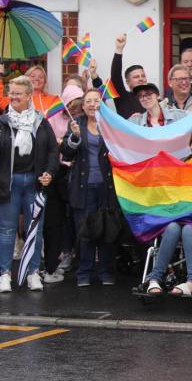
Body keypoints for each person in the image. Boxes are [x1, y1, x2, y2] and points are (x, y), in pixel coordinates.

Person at [0, 76, 58, 292]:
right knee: (6, 230)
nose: (13, 96)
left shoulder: (41, 122)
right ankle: (4, 274)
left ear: (28, 96)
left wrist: (50, 172)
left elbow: (53, 150)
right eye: (11, 93)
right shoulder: (2, 122)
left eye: (17, 93)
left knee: (35, 229)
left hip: (34, 183)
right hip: (9, 183)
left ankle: (34, 273)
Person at [145, 128, 192, 296]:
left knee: (188, 229)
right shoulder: (182, 166)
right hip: (180, 214)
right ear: (191, 145)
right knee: (171, 228)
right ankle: (155, 278)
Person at [61, 89, 118, 286]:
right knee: (85, 230)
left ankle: (105, 271)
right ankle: (84, 272)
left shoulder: (111, 125)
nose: (93, 104)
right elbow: (67, 154)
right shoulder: (76, 125)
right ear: (83, 106)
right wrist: (75, 137)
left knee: (106, 229)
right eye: (88, 101)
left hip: (107, 186)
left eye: (96, 100)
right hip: (82, 186)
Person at [41, 84, 85, 283]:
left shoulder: (82, 120)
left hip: (76, 172)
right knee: (59, 219)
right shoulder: (53, 117)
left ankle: (77, 255)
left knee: (75, 217)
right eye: (72, 105)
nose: (75, 109)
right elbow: (48, 144)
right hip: (58, 172)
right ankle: (60, 255)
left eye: (78, 105)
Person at [108, 33, 147, 118]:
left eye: (143, 76)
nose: (141, 79)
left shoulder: (153, 99)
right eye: (136, 77)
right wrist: (119, 49)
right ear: (128, 82)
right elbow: (115, 77)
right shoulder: (123, 98)